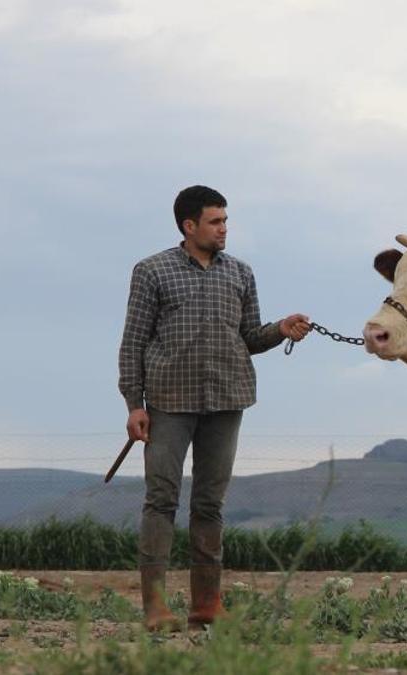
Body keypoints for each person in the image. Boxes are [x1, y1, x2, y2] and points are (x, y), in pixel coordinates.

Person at [118, 185, 311, 631]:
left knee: (210, 504)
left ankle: (206, 604)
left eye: (225, 220)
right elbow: (133, 342)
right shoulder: (152, 271)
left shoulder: (241, 273)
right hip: (167, 402)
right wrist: (134, 404)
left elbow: (249, 337)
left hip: (227, 399)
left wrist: (280, 329)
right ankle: (156, 607)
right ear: (189, 226)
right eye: (215, 221)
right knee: (161, 500)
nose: (224, 229)